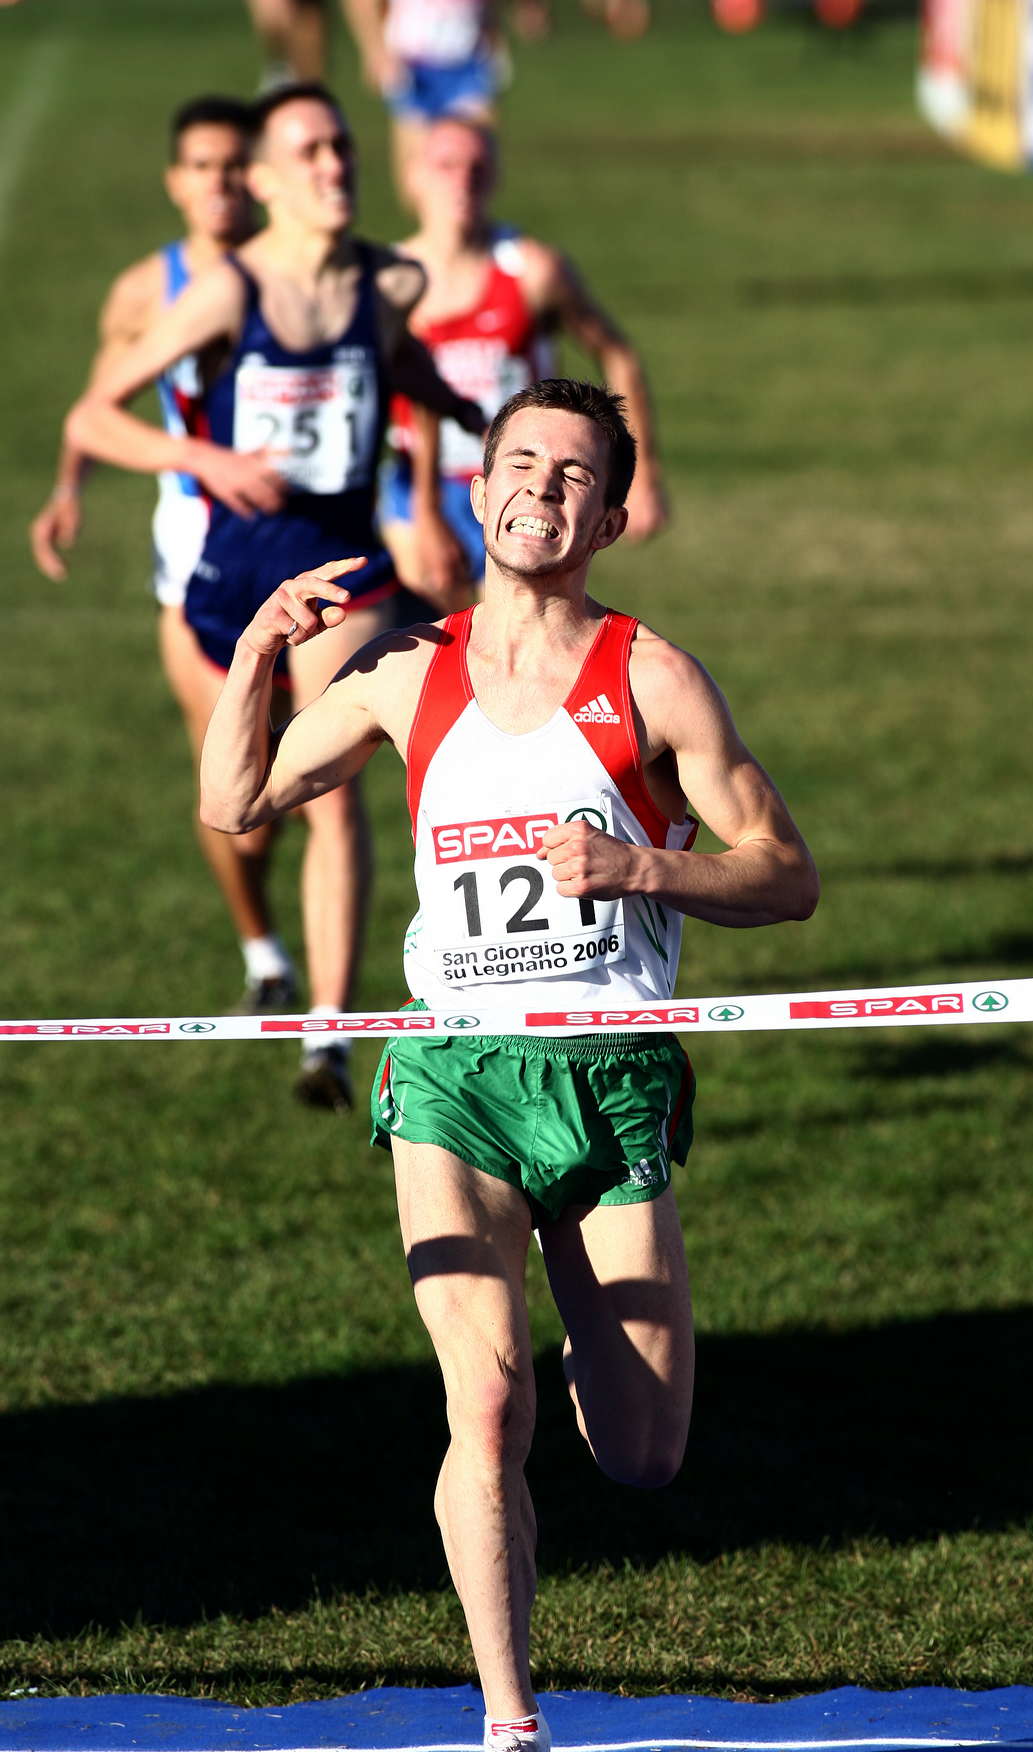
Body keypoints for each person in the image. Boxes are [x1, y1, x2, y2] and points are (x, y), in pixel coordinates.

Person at [198, 378, 818, 1747]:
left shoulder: (651, 677)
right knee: (482, 1405)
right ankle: (509, 1719)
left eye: (574, 473)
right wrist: (254, 654)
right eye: (520, 461)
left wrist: (645, 868)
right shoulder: (406, 672)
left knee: (642, 1453)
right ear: (478, 490)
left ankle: (592, 1346)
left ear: (609, 518)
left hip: (606, 1075)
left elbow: (786, 875)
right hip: (452, 1071)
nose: (541, 485)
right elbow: (234, 801)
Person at [67, 83, 482, 1111]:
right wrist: (203, 457)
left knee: (330, 797)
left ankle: (326, 1037)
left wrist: (466, 434)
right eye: (310, 153)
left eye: (342, 146)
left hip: (343, 570)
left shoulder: (391, 281)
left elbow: (400, 367)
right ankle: (263, 947)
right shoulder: (225, 293)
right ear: (263, 181)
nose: (335, 167)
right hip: (231, 577)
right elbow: (92, 415)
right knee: (241, 819)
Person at [29, 95, 300, 1005]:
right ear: (176, 182)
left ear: (259, 178)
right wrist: (69, 489)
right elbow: (100, 396)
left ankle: (329, 1000)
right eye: (202, 167)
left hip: (306, 532)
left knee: (315, 774)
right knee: (233, 775)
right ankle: (264, 954)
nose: (220, 184)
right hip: (194, 538)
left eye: (234, 166)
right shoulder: (147, 290)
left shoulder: (304, 269)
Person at [381, 116, 669, 596]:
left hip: (525, 481)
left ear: (494, 176)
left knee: (521, 628)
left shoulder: (532, 271)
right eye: (446, 165)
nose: (462, 180)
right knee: (429, 627)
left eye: (477, 167)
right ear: (413, 176)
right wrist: (425, 509)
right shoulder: (387, 283)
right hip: (421, 486)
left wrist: (642, 477)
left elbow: (616, 354)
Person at [344, 0, 506, 201]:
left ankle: (470, 220)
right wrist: (374, 48)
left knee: (478, 164)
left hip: (469, 59)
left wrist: (494, 30)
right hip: (413, 65)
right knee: (418, 179)